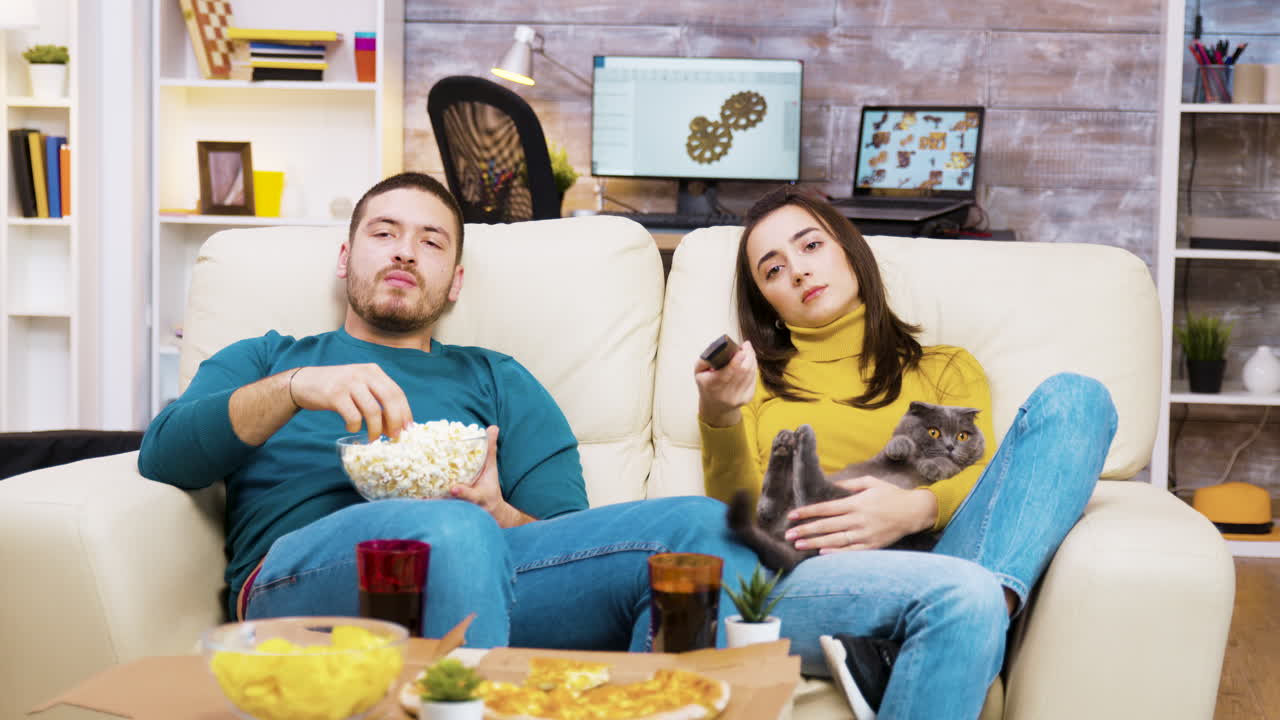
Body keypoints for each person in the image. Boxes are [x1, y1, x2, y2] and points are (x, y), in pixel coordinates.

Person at [139, 171, 758, 650]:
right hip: (299, 583)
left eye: (429, 242)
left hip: (483, 566)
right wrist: (298, 387)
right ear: (344, 258)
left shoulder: (498, 378)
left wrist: (500, 514)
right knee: (449, 531)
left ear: (455, 281)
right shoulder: (270, 358)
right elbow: (164, 454)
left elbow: (567, 540)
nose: (405, 252)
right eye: (384, 234)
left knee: (703, 530)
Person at [694, 186, 1117, 720]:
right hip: (812, 579)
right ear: (766, 303)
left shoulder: (941, 368)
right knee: (964, 598)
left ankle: (964, 621)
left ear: (849, 251)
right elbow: (742, 528)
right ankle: (970, 626)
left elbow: (984, 480)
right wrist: (720, 414)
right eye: (772, 270)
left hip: (945, 559)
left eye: (810, 246)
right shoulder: (755, 388)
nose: (797, 271)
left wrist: (916, 508)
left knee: (1077, 399)